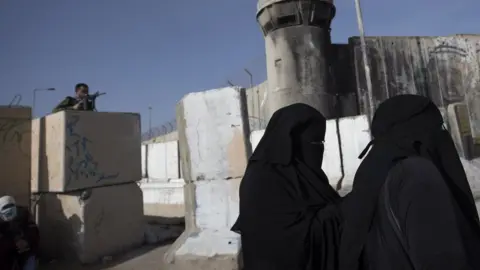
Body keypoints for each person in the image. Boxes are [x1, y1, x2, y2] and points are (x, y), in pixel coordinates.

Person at [339, 94, 480, 270]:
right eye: (439, 127)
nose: (443, 134)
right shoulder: (416, 176)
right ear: (420, 131)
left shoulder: (372, 172)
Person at [232, 103, 342, 270]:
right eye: (314, 142)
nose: (318, 148)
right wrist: (340, 212)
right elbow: (287, 241)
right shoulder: (264, 180)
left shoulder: (305, 174)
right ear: (291, 142)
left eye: (321, 142)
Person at [0, 196, 39, 270]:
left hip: (26, 253)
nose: (8, 210)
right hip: (6, 255)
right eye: (4, 208)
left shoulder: (24, 215)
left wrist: (26, 241)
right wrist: (14, 244)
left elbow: (34, 232)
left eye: (10, 206)